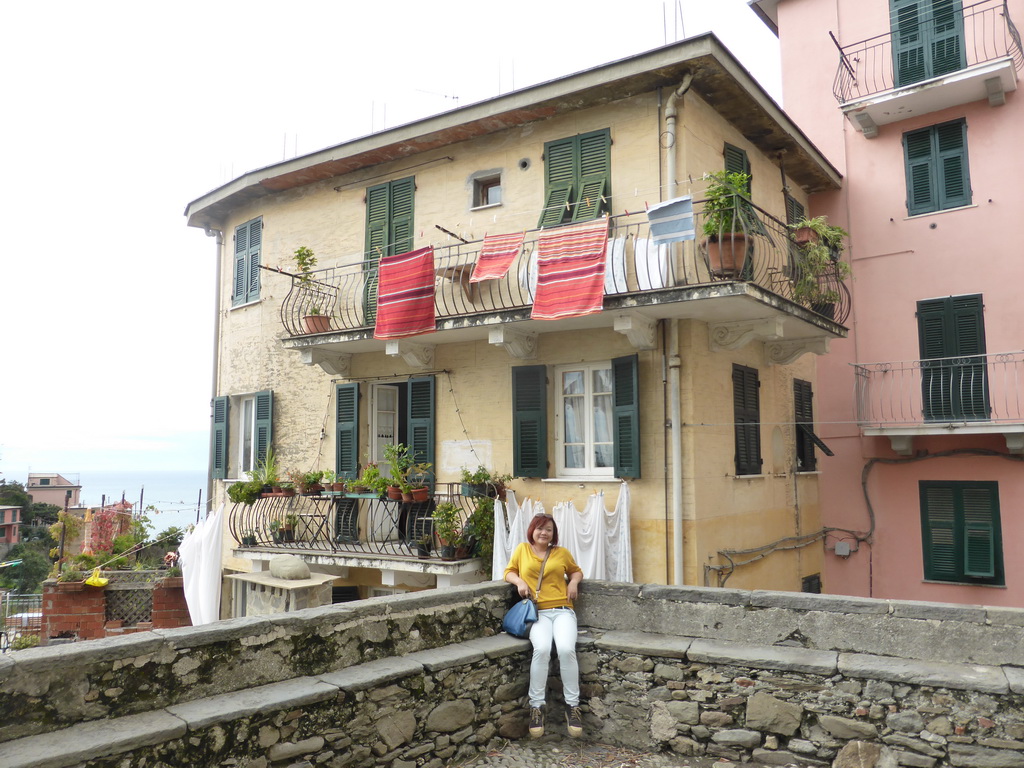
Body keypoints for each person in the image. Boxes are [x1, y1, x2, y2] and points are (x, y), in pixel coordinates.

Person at [503, 512, 584, 739]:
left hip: (563, 611)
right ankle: (536, 707)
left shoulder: (561, 553)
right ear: (532, 530)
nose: (544, 532)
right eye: (540, 528)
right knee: (542, 650)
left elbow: (576, 571)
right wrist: (519, 581)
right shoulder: (522, 550)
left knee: (567, 649)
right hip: (537, 613)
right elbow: (508, 572)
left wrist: (574, 583)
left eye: (548, 529)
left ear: (553, 533)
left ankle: (572, 706)